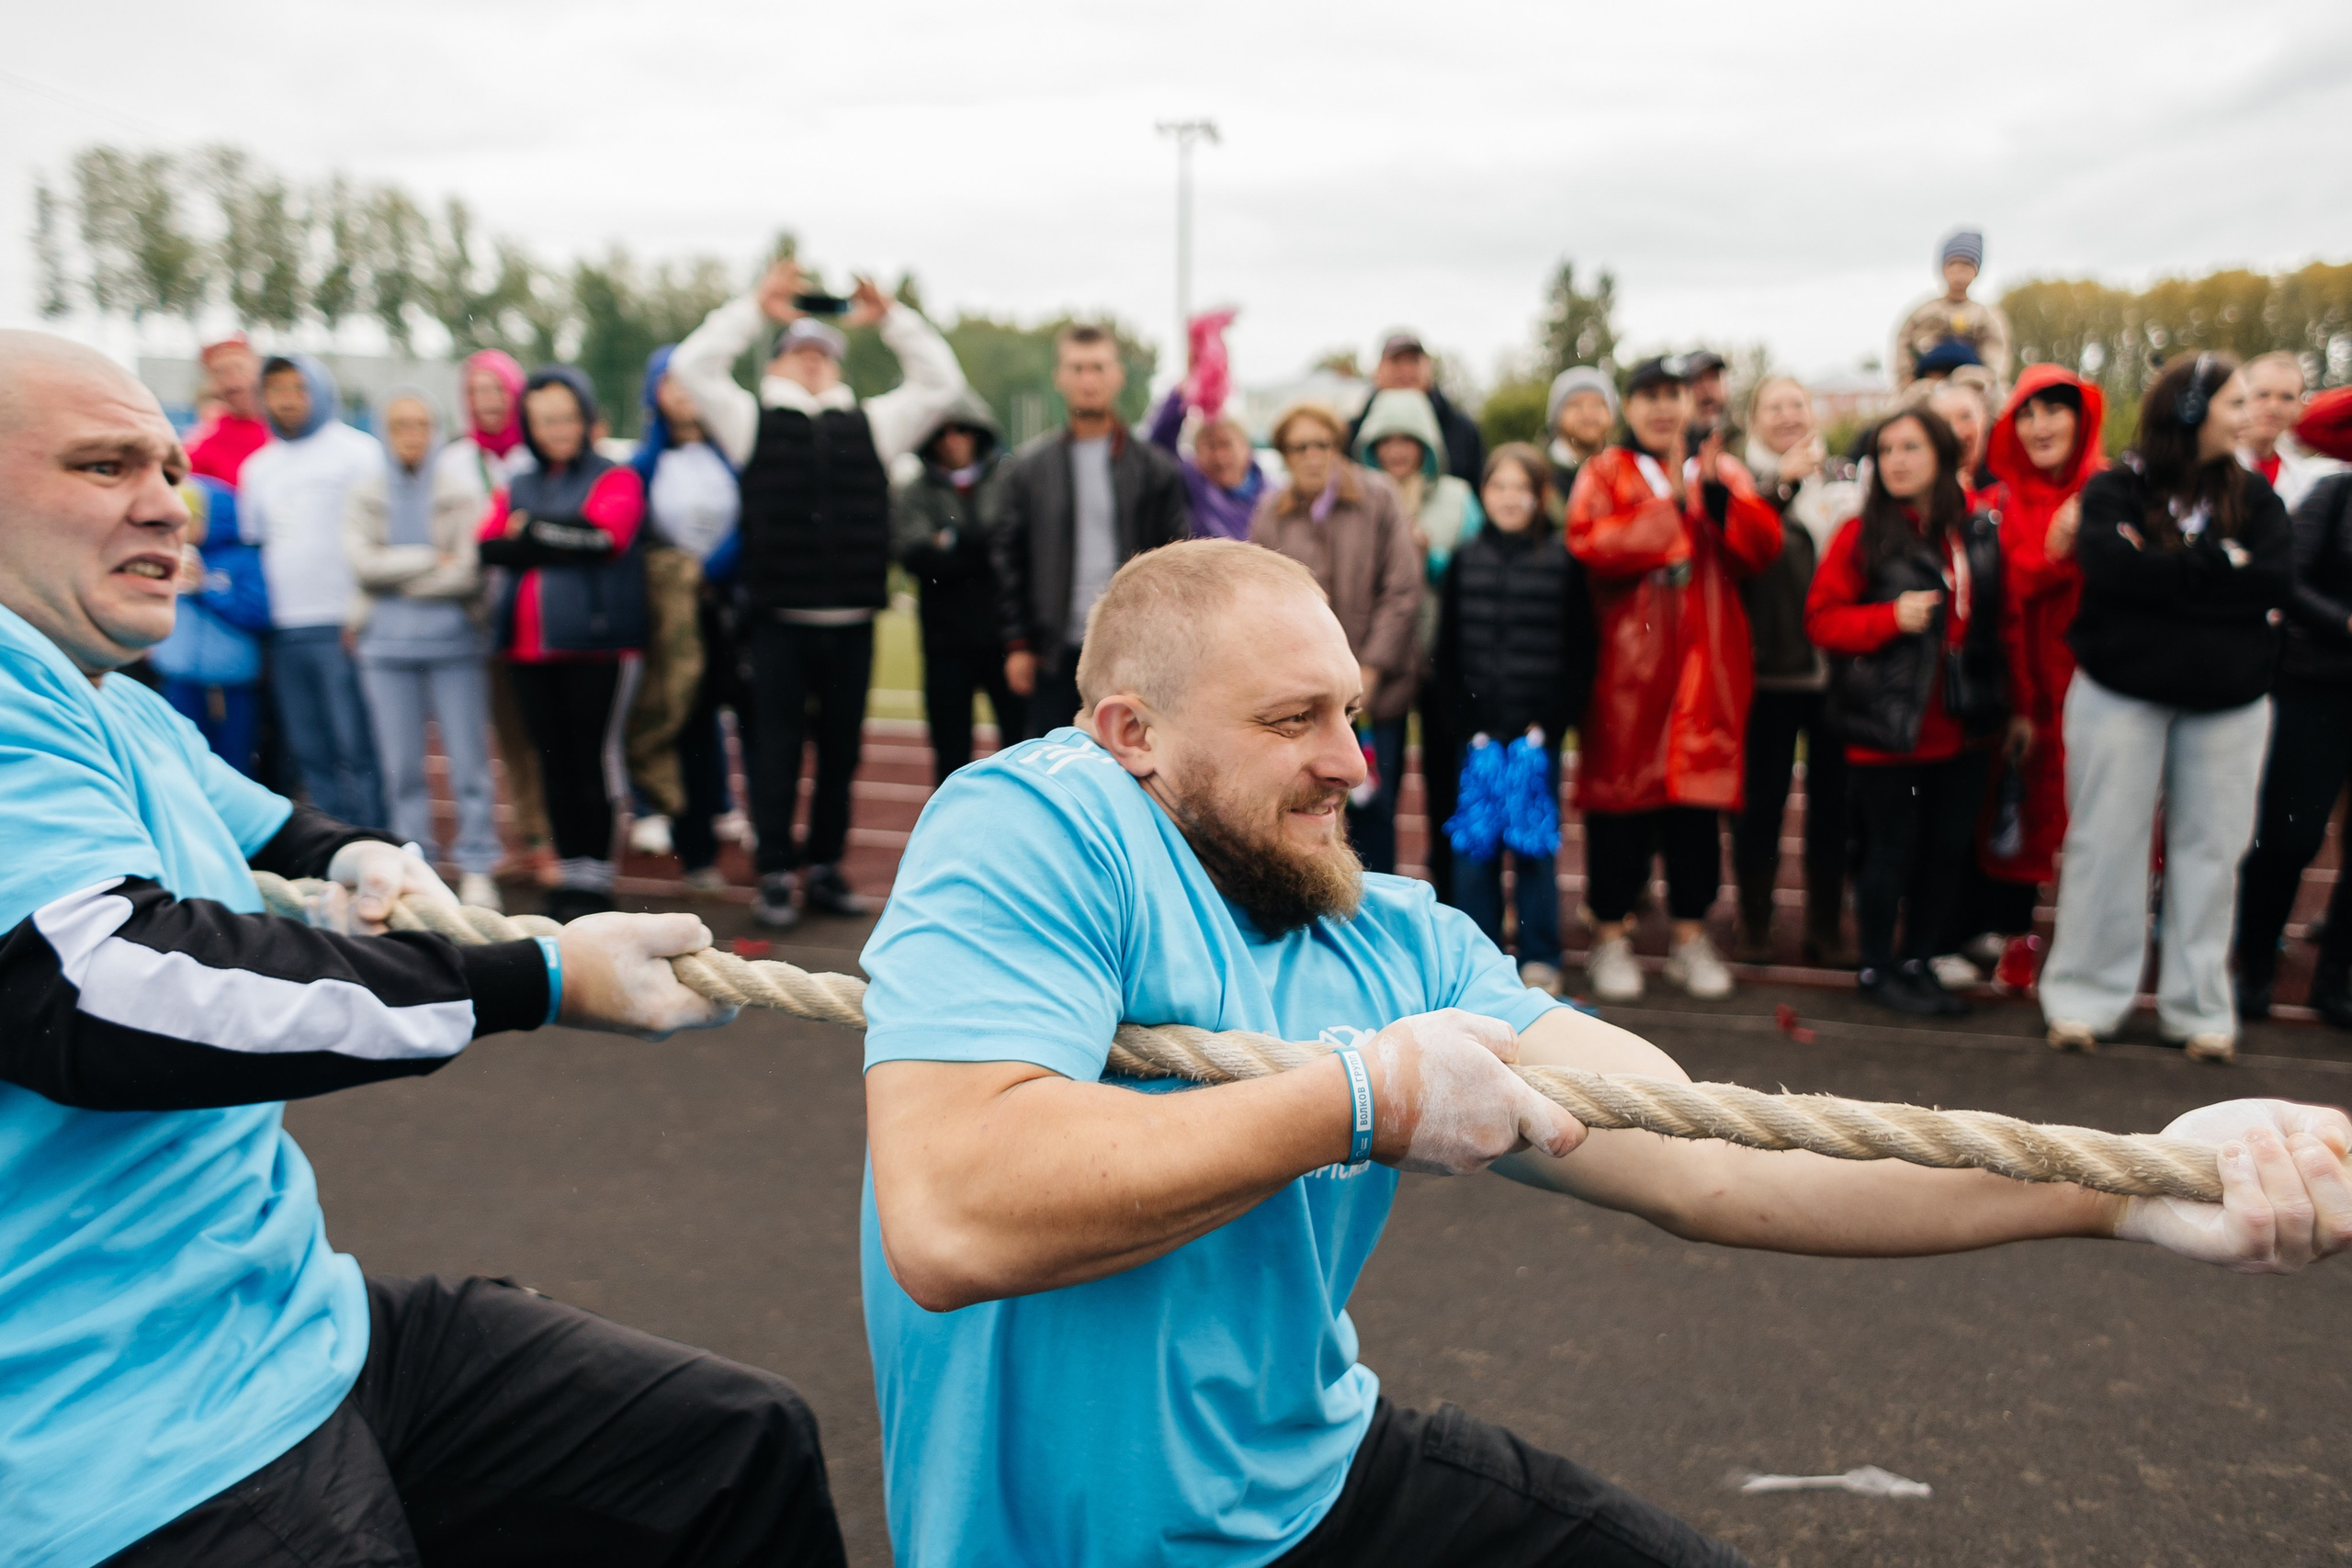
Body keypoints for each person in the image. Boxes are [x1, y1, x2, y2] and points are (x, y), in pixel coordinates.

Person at [854, 534, 2352, 1568]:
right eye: (1292, 719)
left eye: (1360, 715)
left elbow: (1708, 1153)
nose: (1354, 764)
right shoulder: (1041, 820)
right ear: (1128, 730)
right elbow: (958, 1207)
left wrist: (2125, 1191)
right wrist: (1359, 1101)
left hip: (1321, 1484)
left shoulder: (1403, 941)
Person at [0, 329, 848, 1568]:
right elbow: (105, 983)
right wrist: (537, 977)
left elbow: (280, 826)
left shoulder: (112, 700)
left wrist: (352, 852)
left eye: (171, 466)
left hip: (294, 1323)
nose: (168, 504)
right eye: (102, 464)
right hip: (116, 1432)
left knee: (731, 1445)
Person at [673, 259, 968, 930]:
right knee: (773, 749)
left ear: (838, 366)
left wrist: (891, 318)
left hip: (852, 618)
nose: (812, 361)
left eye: (823, 352)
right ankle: (775, 869)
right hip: (777, 619)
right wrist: (755, 306)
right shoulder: (747, 420)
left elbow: (942, 383)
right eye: (799, 349)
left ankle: (827, 866)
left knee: (841, 753)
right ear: (777, 360)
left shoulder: (873, 424)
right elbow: (695, 367)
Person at [2041, 354, 2293, 1063]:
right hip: (2120, 693)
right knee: (2104, 842)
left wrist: (2171, 569)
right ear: (2191, 411)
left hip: (2229, 702)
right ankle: (2084, 999)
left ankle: (2199, 1007)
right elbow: (2113, 570)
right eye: (2234, 402)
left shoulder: (2257, 497)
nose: (2250, 416)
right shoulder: (2117, 488)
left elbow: (2273, 578)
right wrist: (2217, 566)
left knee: (2213, 851)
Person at [1566, 355, 1782, 1002]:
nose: (1663, 408)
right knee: (1619, 811)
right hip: (1627, 676)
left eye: (1674, 396)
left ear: (1691, 404)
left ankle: (1691, 939)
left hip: (1705, 671)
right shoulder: (1605, 471)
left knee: (1697, 815)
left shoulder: (1721, 470)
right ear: (1630, 407)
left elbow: (1760, 548)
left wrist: (1716, 502)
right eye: (1650, 396)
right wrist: (1672, 518)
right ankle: (1610, 935)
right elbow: (1589, 542)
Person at [1806, 408, 2018, 1015]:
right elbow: (1820, 619)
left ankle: (1919, 959)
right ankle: (1878, 965)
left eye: (1911, 446)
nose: (1897, 460)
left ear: (1943, 454)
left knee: (1947, 849)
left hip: (1964, 724)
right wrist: (1885, 619)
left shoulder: (1975, 529)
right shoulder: (1860, 533)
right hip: (1888, 729)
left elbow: (2001, 620)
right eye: (1887, 449)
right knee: (1890, 850)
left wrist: (2012, 705)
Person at [1940, 366, 2108, 988]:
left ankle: (2095, 950)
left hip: (2099, 683)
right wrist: (2054, 554)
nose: (2042, 427)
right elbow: (2005, 592)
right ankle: (2015, 935)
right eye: (2028, 414)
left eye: (2055, 410)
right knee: (2014, 812)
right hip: (2021, 685)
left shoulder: (2108, 490)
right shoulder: (2000, 501)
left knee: (2102, 819)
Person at [476, 367, 648, 923]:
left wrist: (530, 533)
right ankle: (568, 868)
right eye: (546, 419)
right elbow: (488, 547)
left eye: (568, 416)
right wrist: (552, 535)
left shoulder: (615, 476)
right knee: (551, 760)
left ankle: (595, 874)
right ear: (529, 423)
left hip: (596, 645)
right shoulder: (520, 481)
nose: (558, 428)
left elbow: (606, 539)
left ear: (586, 418)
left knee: (591, 760)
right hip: (526, 650)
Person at [1432, 444, 1593, 989]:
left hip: (1534, 738)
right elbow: (1447, 652)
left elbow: (1579, 655)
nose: (1508, 498)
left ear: (1538, 495)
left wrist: (1548, 720)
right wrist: (1466, 722)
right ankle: (1479, 960)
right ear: (1484, 493)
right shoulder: (1464, 559)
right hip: (1478, 739)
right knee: (1475, 854)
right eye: (1497, 486)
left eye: (1519, 487)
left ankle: (1541, 954)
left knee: (1533, 847)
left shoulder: (1564, 563)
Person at [994, 322, 1191, 742]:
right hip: (1052, 653)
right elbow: (1009, 559)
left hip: (1130, 653)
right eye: (1077, 368)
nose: (1088, 379)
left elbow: (1174, 560)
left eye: (1098, 367)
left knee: (1131, 769)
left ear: (1117, 376)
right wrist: (1017, 643)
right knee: (1049, 771)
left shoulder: (1154, 469)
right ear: (1060, 378)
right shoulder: (1030, 469)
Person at [1250, 402, 1422, 875]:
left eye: (1321, 444)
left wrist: (1368, 670)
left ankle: (1377, 921)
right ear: (1284, 455)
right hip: (1302, 700)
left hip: (1376, 694)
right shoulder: (1271, 512)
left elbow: (1404, 589)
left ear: (1337, 447)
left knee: (1371, 813)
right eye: (1298, 447)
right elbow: (1260, 601)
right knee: (1309, 814)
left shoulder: (1378, 498)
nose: (1311, 456)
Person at [345, 388, 501, 911]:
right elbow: (363, 565)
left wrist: (399, 573)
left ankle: (478, 866)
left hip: (454, 642)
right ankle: (417, 864)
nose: (410, 436)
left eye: (420, 425)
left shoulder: (459, 490)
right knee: (403, 770)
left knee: (469, 763)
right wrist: (426, 562)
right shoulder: (366, 490)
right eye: (399, 425)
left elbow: (467, 571)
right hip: (384, 649)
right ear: (385, 432)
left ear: (434, 430)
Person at [1733, 377, 1860, 966]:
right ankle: (1755, 921)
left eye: (1797, 404)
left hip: (1836, 670)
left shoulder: (1841, 478)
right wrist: (1781, 480)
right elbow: (1746, 546)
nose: (1788, 415)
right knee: (1762, 802)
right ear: (1754, 417)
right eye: (1774, 406)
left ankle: (1825, 926)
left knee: (1834, 806)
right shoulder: (1743, 481)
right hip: (1769, 670)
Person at [238, 353, 386, 829]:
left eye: (298, 388)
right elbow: (257, 542)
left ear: (320, 390)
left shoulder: (357, 452)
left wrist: (360, 613)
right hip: (284, 629)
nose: (287, 400)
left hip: (344, 624)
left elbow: (376, 534)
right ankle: (336, 848)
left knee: (357, 745)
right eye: (276, 389)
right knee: (310, 748)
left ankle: (376, 837)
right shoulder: (257, 467)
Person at [1353, 387, 1486, 897]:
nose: (1397, 449)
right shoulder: (1359, 494)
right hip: (1383, 661)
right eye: (1386, 439)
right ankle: (1377, 896)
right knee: (1375, 791)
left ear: (1428, 443)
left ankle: (1450, 895)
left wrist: (1430, 559)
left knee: (1446, 782)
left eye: (1409, 439)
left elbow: (1476, 569)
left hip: (1441, 662)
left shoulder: (1456, 497)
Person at [2234, 463, 2352, 1025]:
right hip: (2316, 687)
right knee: (2289, 837)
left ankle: (2336, 982)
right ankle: (2255, 963)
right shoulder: (2335, 493)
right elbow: (2288, 580)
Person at [439, 349, 552, 884]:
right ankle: (531, 835)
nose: (486, 402)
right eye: (476, 391)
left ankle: (557, 838)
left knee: (548, 732)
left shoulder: (536, 457)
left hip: (541, 612)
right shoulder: (456, 461)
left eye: (496, 390)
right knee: (507, 733)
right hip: (481, 613)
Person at [622, 344, 736, 859]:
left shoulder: (732, 454)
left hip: (727, 603)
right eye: (671, 381)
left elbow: (751, 519)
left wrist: (711, 571)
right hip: (668, 611)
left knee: (720, 709)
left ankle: (722, 802)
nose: (684, 392)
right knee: (671, 707)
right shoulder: (644, 464)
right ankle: (657, 804)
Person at [894, 389, 1017, 781]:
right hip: (945, 644)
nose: (953, 438)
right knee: (951, 758)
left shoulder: (1008, 481)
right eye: (943, 431)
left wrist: (949, 539)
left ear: (979, 433)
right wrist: (980, 543)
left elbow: (1013, 544)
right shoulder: (913, 492)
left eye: (962, 429)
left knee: (1020, 748)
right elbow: (913, 555)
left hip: (1005, 641)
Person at [147, 473, 270, 776]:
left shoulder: (241, 558)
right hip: (178, 677)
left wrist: (207, 587)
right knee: (183, 761)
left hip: (229, 681)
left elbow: (258, 613)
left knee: (233, 764)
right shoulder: (167, 554)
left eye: (192, 518)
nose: (183, 527)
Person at [1345, 330, 1484, 484]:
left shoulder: (1463, 431)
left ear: (1429, 367)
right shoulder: (1350, 432)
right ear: (1378, 370)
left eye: (1413, 361)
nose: (1405, 370)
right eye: (1396, 361)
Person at [1890, 229, 2013, 390]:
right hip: (1926, 385)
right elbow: (1903, 347)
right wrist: (1907, 379)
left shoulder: (1987, 317)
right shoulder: (1924, 313)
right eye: (1952, 265)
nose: (1958, 274)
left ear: (1976, 272)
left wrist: (1988, 380)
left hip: (1973, 386)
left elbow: (1996, 356)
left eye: (1966, 267)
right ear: (1942, 269)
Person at [1147, 384, 1266, 542]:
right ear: (1196, 453)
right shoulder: (1191, 484)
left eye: (1226, 444)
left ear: (1246, 447)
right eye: (1211, 446)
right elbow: (1157, 448)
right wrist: (1182, 392)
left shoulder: (1272, 496)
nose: (1220, 457)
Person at [2239, 349, 2345, 510]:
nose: (2274, 407)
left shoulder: (2309, 482)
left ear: (2299, 407)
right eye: (2263, 395)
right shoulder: (2209, 466)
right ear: (2240, 397)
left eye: (2286, 397)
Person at [186, 335, 271, 486]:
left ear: (258, 370)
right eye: (219, 373)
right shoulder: (204, 441)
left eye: (239, 368)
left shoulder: (289, 425)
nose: (232, 381)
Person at [1544, 366, 1616, 521]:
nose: (1588, 413)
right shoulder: (1539, 474)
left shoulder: (1630, 468)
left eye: (1598, 404)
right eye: (1575, 405)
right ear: (1556, 416)